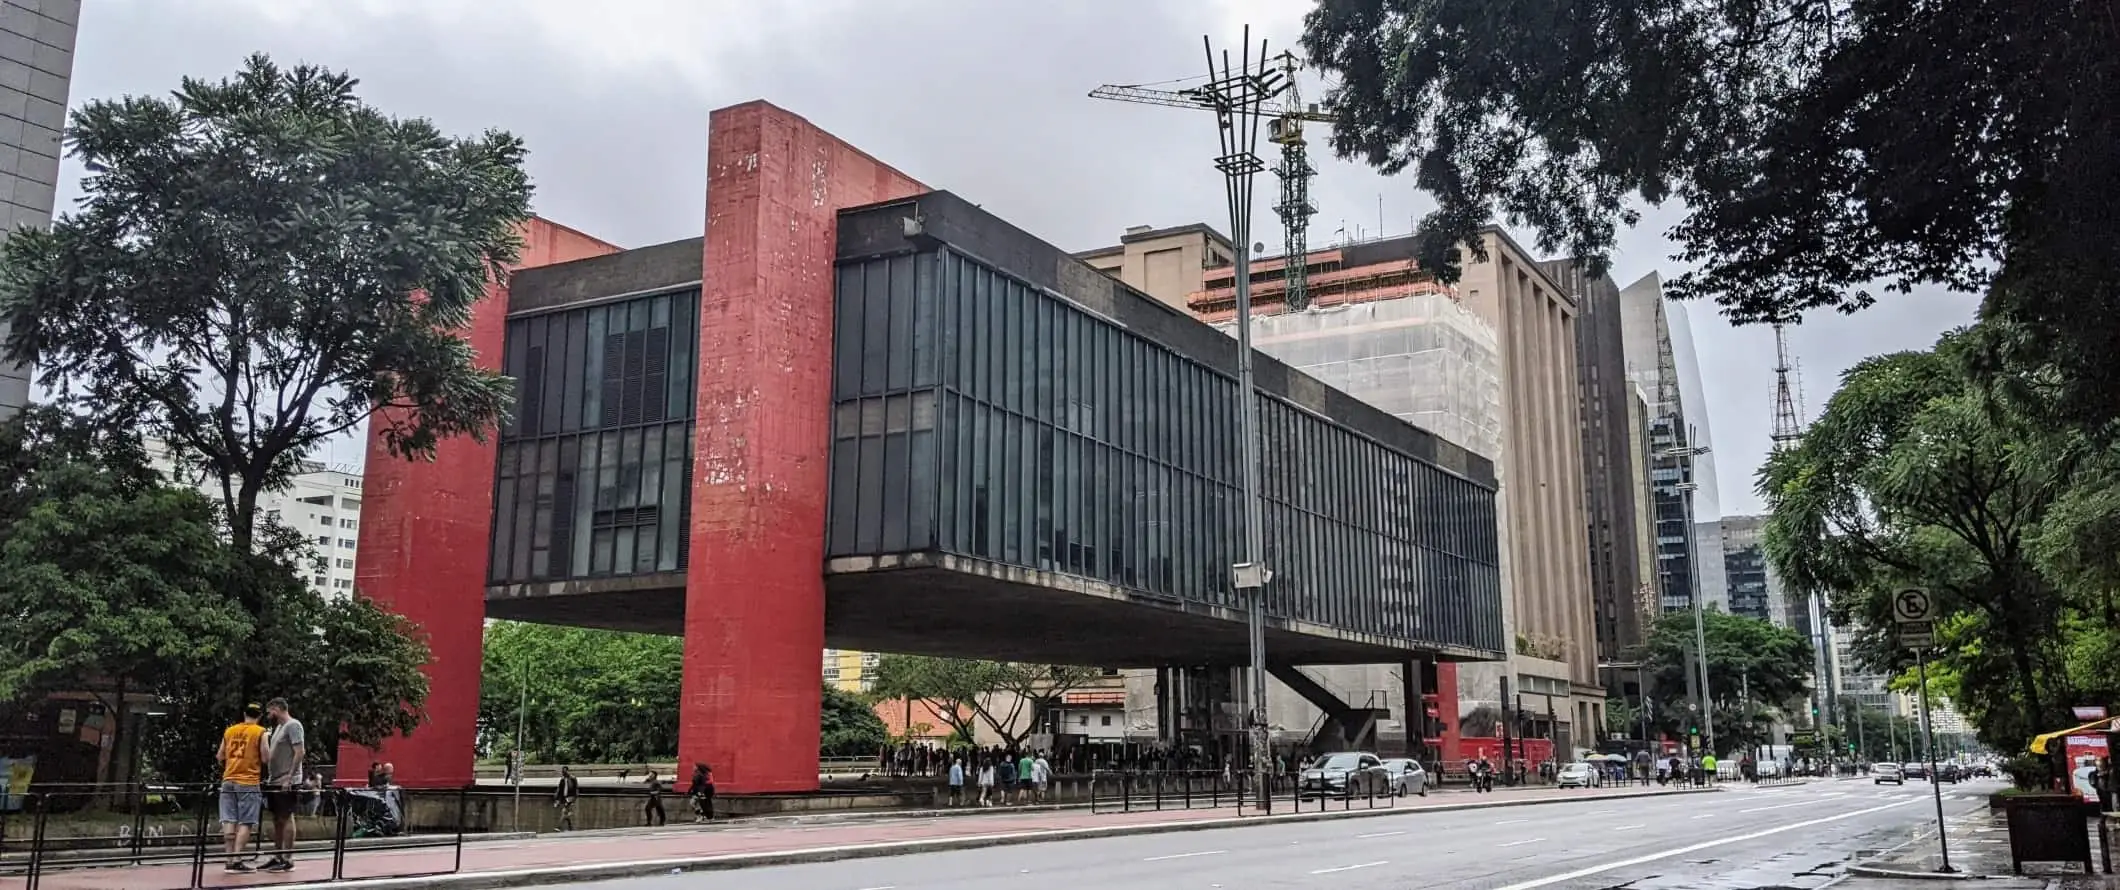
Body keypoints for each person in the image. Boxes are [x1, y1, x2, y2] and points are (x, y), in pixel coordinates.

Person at [215, 703, 267, 873]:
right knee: (246, 821)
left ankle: (228, 858)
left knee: (229, 819)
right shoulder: (260, 732)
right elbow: (266, 757)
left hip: (228, 779)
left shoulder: (229, 731)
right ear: (259, 716)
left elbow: (220, 755)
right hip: (248, 781)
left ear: (245, 713)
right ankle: (237, 859)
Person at [257, 698, 305, 873]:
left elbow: (299, 752)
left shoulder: (293, 725)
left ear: (277, 708)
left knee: (286, 815)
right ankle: (277, 855)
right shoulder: (278, 728)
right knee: (277, 818)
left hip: (287, 779)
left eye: (270, 711)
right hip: (275, 779)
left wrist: (289, 777)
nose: (268, 714)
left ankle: (287, 857)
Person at [554, 766, 580, 831]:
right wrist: (557, 800)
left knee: (564, 811)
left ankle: (559, 827)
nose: (564, 773)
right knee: (566, 814)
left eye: (565, 771)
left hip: (570, 798)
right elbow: (559, 790)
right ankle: (570, 827)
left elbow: (576, 789)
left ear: (568, 771)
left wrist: (574, 799)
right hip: (564, 798)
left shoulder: (573, 778)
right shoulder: (562, 780)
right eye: (563, 772)